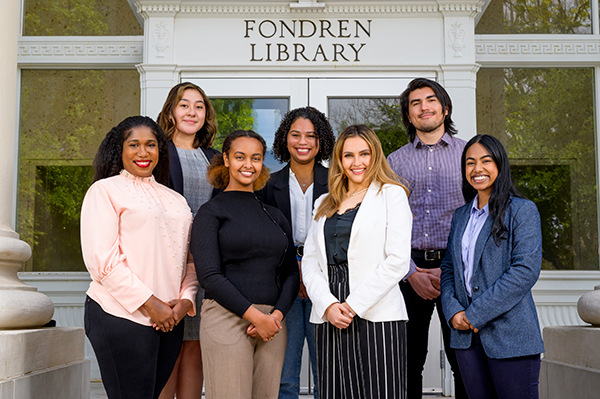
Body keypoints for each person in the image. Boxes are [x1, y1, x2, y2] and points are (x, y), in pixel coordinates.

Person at [81, 116, 198, 399]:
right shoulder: (104, 190)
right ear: (119, 150)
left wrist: (185, 302)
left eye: (151, 145)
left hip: (169, 320)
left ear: (161, 150)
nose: (143, 153)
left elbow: (189, 262)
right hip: (119, 314)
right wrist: (151, 304)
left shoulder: (176, 199)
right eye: (134, 145)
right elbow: (103, 262)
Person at [302, 124, 412, 399]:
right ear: (339, 159)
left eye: (364, 154)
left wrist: (352, 305)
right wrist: (327, 305)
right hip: (330, 311)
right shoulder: (324, 202)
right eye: (348, 155)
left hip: (375, 311)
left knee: (381, 392)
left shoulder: (392, 194)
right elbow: (311, 261)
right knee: (336, 392)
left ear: (375, 156)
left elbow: (398, 261)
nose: (357, 162)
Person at [191, 129, 300, 399]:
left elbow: (290, 274)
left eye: (256, 158)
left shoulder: (275, 215)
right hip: (227, 318)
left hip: (273, 325)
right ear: (226, 159)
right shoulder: (211, 212)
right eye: (240, 157)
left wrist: (275, 317)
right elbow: (209, 276)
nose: (248, 165)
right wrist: (255, 317)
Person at [440, 134, 544, 399]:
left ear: (500, 164)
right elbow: (450, 269)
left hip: (511, 337)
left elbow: (524, 271)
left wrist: (474, 314)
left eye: (486, 161)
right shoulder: (461, 215)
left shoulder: (522, 211)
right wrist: (453, 313)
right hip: (465, 340)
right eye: (470, 162)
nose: (477, 169)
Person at [387, 77, 467, 399]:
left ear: (445, 108)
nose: (424, 107)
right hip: (408, 271)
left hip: (458, 269)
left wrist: (449, 267)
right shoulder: (394, 162)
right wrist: (412, 272)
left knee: (463, 358)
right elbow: (386, 223)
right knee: (407, 362)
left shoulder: (469, 154)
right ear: (408, 116)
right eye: (415, 103)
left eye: (430, 100)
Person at [256, 106, 335, 399]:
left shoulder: (338, 181)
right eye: (296, 135)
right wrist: (294, 268)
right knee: (284, 375)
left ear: (320, 141)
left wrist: (310, 270)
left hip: (326, 284)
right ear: (284, 139)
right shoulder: (267, 184)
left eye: (311, 136)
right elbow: (263, 238)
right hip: (281, 285)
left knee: (325, 371)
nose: (303, 142)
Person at [157, 82, 219, 399]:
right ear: (171, 110)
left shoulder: (216, 158)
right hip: (166, 265)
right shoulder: (157, 153)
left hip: (204, 264)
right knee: (170, 348)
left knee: (195, 348)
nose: (191, 111)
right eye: (184, 104)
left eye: (199, 106)